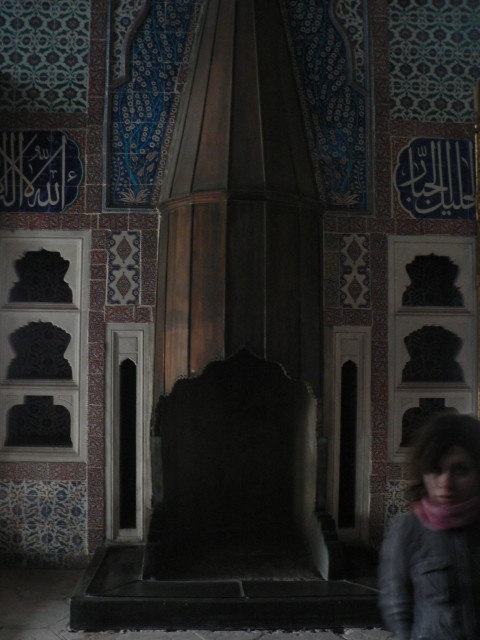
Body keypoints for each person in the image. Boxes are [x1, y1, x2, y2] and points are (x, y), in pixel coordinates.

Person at [378, 412, 480, 640]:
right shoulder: (409, 529)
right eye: (436, 470)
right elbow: (397, 603)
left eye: (460, 470)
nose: (446, 483)